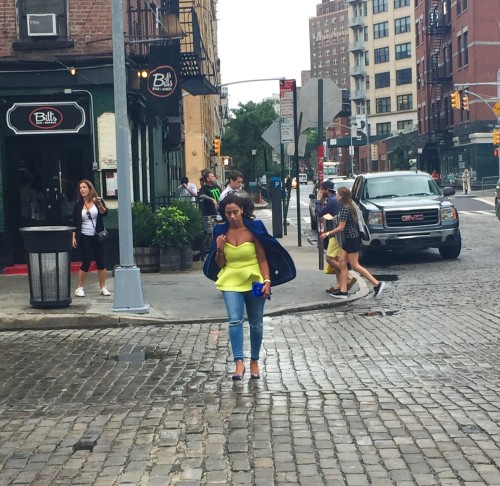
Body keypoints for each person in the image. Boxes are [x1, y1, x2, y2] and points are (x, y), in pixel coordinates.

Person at [203, 193, 296, 381]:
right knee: (234, 321)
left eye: (235, 212)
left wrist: (267, 281)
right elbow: (220, 264)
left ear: (242, 210)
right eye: (228, 213)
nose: (232, 216)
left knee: (256, 323)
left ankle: (254, 360)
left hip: (254, 278)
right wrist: (219, 248)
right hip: (230, 279)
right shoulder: (220, 231)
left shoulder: (255, 228)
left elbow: (262, 258)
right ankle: (239, 362)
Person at [326, 186, 385, 299]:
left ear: (342, 196)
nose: (336, 196)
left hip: (351, 240)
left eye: (338, 194)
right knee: (342, 263)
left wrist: (327, 233)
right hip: (350, 239)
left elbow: (341, 228)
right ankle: (343, 291)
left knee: (355, 265)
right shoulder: (351, 206)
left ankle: (377, 284)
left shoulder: (345, 208)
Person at [315, 180, 356, 294]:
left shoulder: (332, 200)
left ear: (327, 190)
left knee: (330, 258)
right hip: (335, 232)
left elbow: (319, 213)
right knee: (337, 259)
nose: (320, 191)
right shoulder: (332, 199)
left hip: (335, 233)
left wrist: (318, 200)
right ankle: (339, 285)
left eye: (322, 189)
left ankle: (347, 277)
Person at [72, 179, 110, 297]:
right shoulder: (78, 205)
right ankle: (80, 287)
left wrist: (99, 205)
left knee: (101, 261)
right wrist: (73, 237)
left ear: (90, 188)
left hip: (97, 235)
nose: (82, 190)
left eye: (84, 187)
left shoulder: (97, 201)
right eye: (80, 188)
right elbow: (75, 222)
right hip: (84, 235)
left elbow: (104, 213)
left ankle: (103, 287)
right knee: (86, 260)